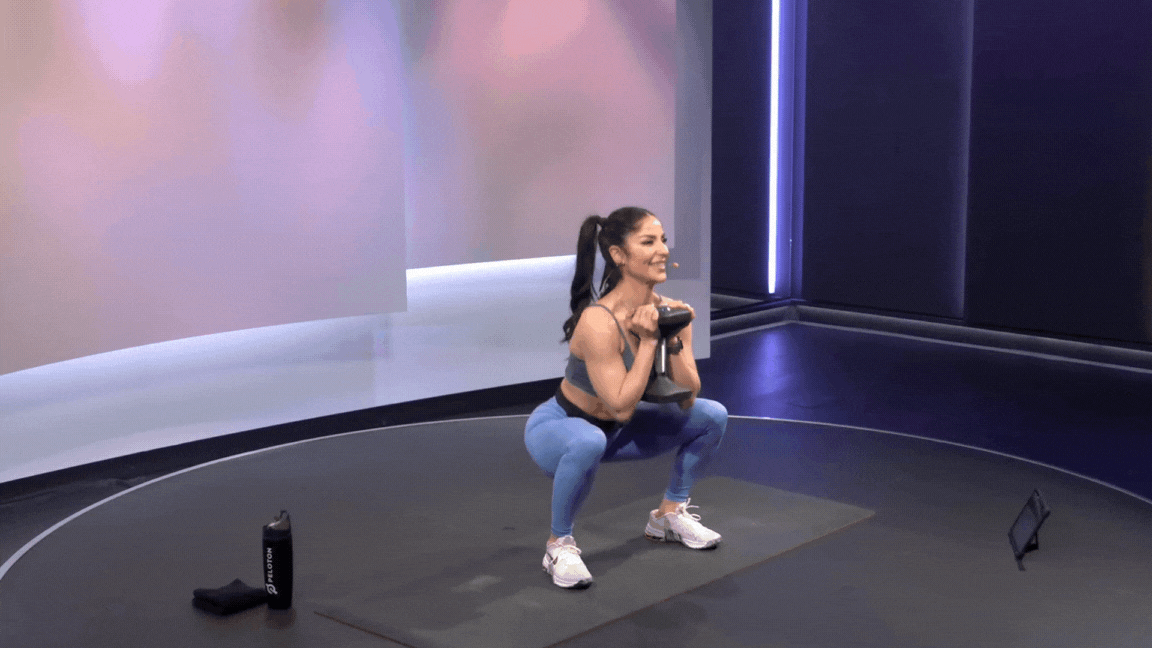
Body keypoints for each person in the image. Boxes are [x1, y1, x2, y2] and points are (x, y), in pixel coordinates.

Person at [524, 206, 728, 589]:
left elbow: (688, 398)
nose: (662, 250)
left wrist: (674, 334)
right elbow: (619, 405)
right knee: (588, 440)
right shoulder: (599, 322)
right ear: (618, 255)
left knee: (712, 415)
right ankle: (559, 545)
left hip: (618, 433)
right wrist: (650, 342)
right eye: (648, 241)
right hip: (562, 432)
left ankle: (667, 515)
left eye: (663, 240)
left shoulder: (669, 310)